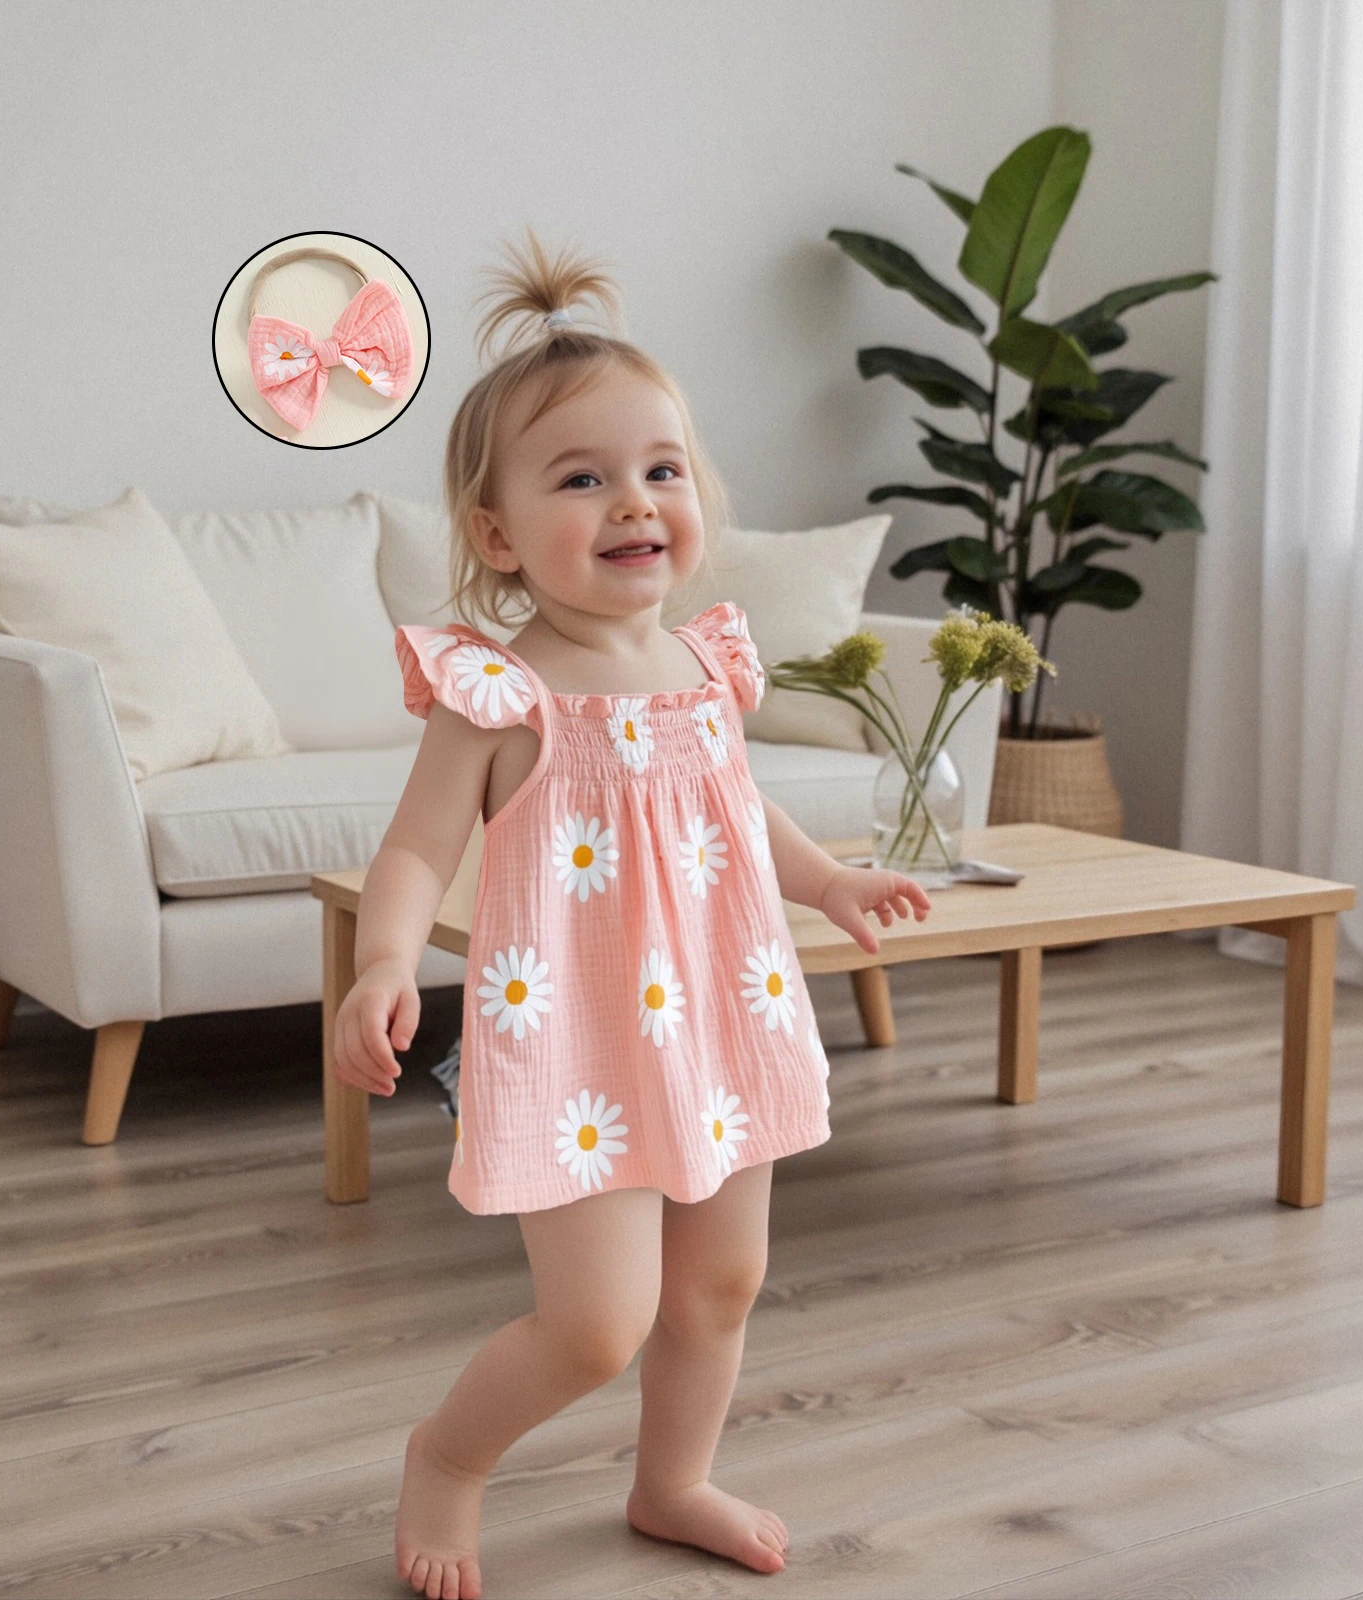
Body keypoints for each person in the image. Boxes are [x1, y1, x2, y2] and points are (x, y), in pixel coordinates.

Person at [332, 229, 932, 1600]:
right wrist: (382, 964)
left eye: (662, 470)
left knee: (722, 1284)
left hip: (723, 1015)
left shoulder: (706, 664)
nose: (633, 503)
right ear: (497, 534)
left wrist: (831, 880)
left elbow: (733, 810)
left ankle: (673, 1482)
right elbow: (418, 849)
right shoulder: (500, 694)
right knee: (600, 1322)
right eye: (581, 478)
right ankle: (449, 1457)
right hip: (583, 1042)